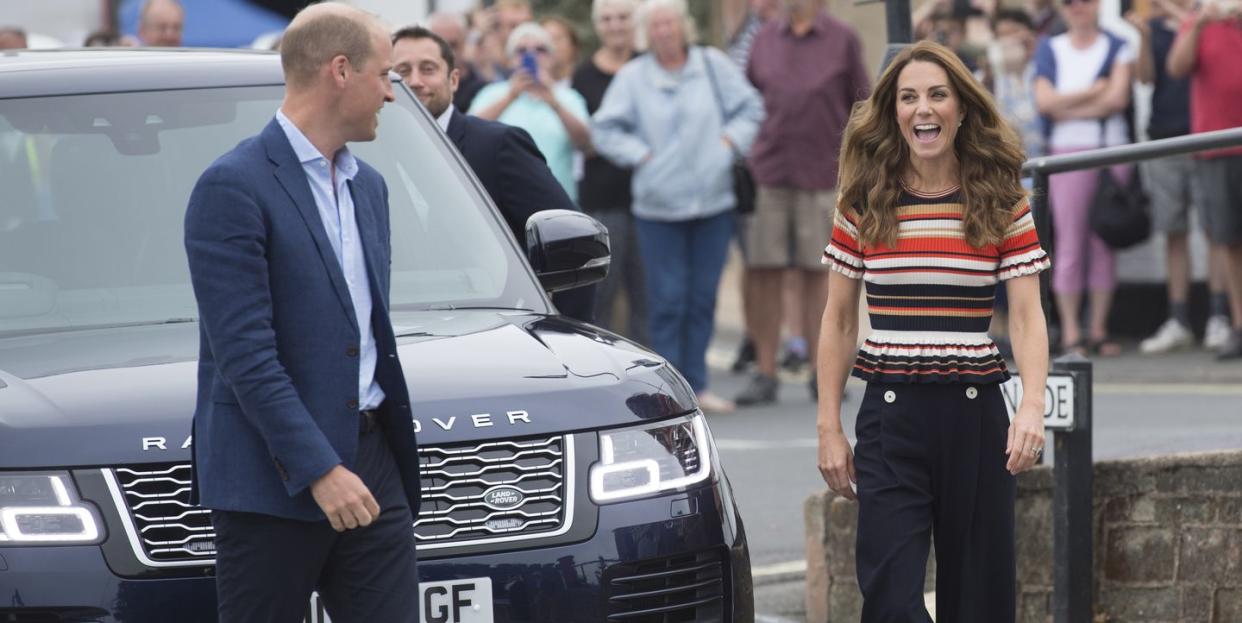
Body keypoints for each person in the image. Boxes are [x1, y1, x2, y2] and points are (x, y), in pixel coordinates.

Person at [183, 5, 419, 620]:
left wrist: (372, 461)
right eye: (385, 75)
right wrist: (320, 470)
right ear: (340, 71)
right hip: (272, 479)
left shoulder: (369, 186)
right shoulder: (232, 187)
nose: (392, 94)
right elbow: (245, 356)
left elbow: (363, 331)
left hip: (373, 463)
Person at [816, 40, 1050, 621]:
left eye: (938, 95)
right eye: (909, 97)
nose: (924, 108)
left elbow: (1025, 314)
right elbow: (840, 318)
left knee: (980, 600)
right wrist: (828, 427)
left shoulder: (1001, 201)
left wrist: (1031, 409)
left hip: (977, 421)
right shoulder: (862, 202)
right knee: (891, 599)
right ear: (893, 113)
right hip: (889, 421)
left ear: (962, 109)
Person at [592, 0, 764, 413]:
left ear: (683, 27)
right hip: (658, 210)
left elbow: (751, 108)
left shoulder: (711, 64)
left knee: (701, 298)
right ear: (646, 34)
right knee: (667, 301)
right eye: (656, 26)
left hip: (713, 204)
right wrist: (641, 155)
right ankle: (672, 391)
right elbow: (604, 128)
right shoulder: (633, 77)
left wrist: (728, 143)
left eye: (670, 23)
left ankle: (699, 385)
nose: (664, 32)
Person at [394, 25, 595, 324]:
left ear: (454, 79)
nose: (415, 81)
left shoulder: (497, 145)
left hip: (491, 329)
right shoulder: (368, 148)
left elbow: (572, 245)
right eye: (403, 71)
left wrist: (566, 332)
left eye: (428, 68)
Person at [735, 0, 869, 406]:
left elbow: (863, 104)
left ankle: (820, 370)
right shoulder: (763, 38)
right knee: (762, 271)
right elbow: (745, 99)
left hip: (823, 174)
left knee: (820, 273)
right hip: (768, 171)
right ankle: (765, 371)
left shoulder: (842, 38)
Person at [1127, 0, 1230, 353]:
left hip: (1206, 137)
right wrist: (1143, 37)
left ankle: (1219, 315)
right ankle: (1180, 318)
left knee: (1218, 230)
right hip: (1164, 137)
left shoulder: (1214, 20)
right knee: (1173, 232)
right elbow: (1146, 77)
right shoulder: (1157, 28)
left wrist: (1185, 19)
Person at [1033, 0, 1134, 357]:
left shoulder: (1116, 45)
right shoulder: (1050, 47)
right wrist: (1094, 93)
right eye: (1069, 2)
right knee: (1071, 243)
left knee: (1102, 243)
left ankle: (1098, 329)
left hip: (1109, 152)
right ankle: (1073, 331)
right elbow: (1044, 103)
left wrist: (1067, 105)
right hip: (1065, 154)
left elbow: (1118, 99)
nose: (1077, 7)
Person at [1167, 0, 1242, 359]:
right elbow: (1177, 67)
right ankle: (1239, 326)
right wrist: (1198, 23)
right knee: (1229, 239)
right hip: (1217, 147)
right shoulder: (1201, 22)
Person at [572, 0, 647, 344]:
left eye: (622, 17)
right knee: (602, 293)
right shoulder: (583, 75)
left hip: (649, 198)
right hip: (602, 200)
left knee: (647, 296)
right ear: (597, 25)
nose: (615, 25)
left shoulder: (650, 66)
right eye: (607, 18)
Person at [469, 22, 591, 202]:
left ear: (551, 58)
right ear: (510, 59)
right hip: (503, 204)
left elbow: (585, 145)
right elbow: (470, 134)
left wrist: (554, 102)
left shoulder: (568, 97)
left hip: (557, 203)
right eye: (521, 50)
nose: (531, 55)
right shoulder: (491, 93)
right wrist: (510, 96)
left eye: (540, 49)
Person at [427, 11, 489, 113]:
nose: (446, 52)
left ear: (465, 43)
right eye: (438, 45)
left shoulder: (482, 89)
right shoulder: (418, 85)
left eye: (453, 45)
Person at [540, 16, 581, 87]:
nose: (552, 45)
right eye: (546, 39)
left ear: (573, 45)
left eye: (558, 38)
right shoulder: (530, 88)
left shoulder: (587, 81)